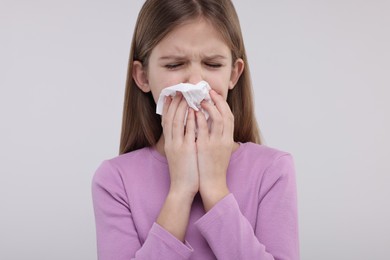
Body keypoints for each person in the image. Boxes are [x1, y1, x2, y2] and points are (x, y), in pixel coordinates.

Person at [92, 0, 299, 259]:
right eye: (173, 65)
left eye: (212, 64)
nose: (195, 81)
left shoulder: (273, 170)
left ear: (234, 74)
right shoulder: (114, 180)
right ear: (143, 77)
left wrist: (214, 188)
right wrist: (180, 191)